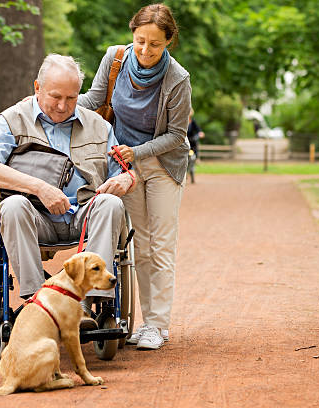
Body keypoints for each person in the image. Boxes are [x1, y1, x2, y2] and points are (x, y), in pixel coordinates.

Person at [0, 54, 136, 329]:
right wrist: (38, 187)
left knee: (110, 203)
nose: (63, 106)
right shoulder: (13, 120)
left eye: (71, 98)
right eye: (55, 96)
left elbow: (122, 171)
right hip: (35, 217)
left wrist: (126, 179)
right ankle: (39, 303)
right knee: (12, 207)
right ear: (37, 87)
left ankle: (86, 304)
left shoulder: (99, 126)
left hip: (83, 215)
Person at [77, 3, 191, 350]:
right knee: (138, 244)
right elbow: (95, 98)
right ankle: (146, 323)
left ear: (168, 42)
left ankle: (157, 325)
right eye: (140, 40)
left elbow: (176, 134)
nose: (145, 50)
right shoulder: (115, 59)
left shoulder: (177, 80)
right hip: (124, 165)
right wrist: (54, 102)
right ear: (132, 34)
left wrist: (137, 152)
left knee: (160, 245)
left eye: (154, 44)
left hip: (162, 166)